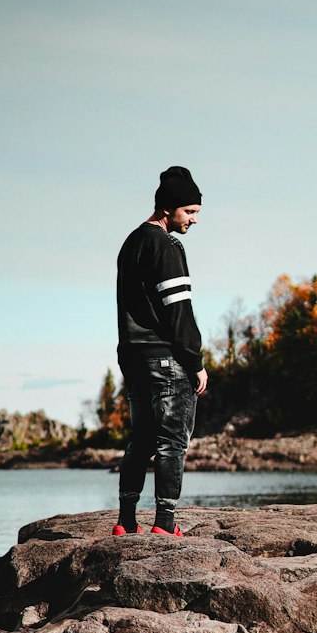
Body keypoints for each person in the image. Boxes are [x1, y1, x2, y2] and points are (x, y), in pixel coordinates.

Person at [114, 165, 208, 538]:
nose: (194, 220)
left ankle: (125, 520)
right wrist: (195, 361)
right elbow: (178, 310)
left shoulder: (131, 242)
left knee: (141, 439)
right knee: (172, 441)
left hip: (133, 357)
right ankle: (165, 524)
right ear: (167, 209)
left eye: (197, 212)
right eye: (189, 212)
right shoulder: (166, 245)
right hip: (164, 357)